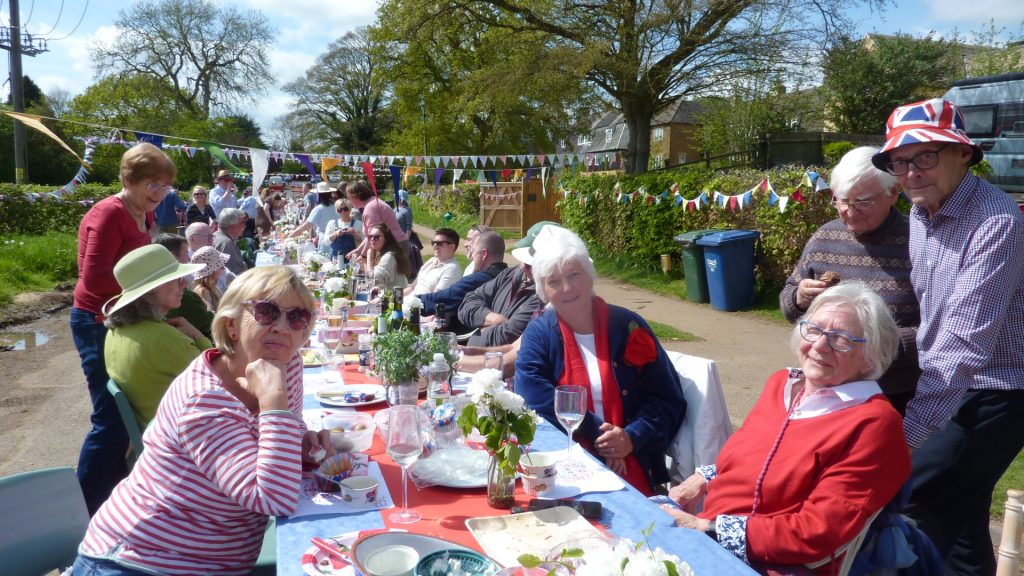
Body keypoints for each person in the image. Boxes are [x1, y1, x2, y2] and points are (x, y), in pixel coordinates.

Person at [73, 266, 333, 575]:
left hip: (209, 561)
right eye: (266, 312)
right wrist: (275, 403)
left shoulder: (284, 364)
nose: (282, 327)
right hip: (139, 561)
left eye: (297, 317)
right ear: (231, 326)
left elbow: (286, 428)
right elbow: (275, 498)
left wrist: (297, 440)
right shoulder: (204, 399)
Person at [871, 98, 1024, 575]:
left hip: (998, 388)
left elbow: (964, 344)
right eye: (900, 161)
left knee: (917, 502)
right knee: (961, 521)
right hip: (947, 380)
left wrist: (907, 437)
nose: (911, 172)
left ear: (964, 155)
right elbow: (934, 317)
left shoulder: (996, 222)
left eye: (926, 156)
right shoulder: (921, 214)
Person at [661, 281, 911, 574]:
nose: (819, 345)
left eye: (840, 339)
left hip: (768, 563)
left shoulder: (874, 424)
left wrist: (707, 527)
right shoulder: (782, 383)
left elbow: (819, 531)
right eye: (814, 330)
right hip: (706, 534)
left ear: (872, 355)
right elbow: (745, 456)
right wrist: (702, 479)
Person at [516, 226, 685, 495]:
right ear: (543, 291)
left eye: (574, 275)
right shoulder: (540, 333)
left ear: (590, 276)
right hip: (562, 462)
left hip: (633, 460)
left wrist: (631, 437)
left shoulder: (628, 325)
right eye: (554, 281)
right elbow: (533, 398)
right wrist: (601, 435)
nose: (568, 288)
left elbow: (667, 398)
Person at [779, 146, 920, 414]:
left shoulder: (919, 242)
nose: (849, 211)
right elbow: (788, 298)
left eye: (862, 202)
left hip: (894, 394)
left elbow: (939, 327)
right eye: (841, 200)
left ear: (892, 192)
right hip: (826, 392)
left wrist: (871, 346)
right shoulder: (825, 237)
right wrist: (799, 298)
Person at [71, 142, 172, 514]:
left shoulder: (139, 214)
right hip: (95, 321)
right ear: (129, 179)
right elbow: (94, 280)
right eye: (153, 185)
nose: (159, 194)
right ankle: (84, 510)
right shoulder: (109, 213)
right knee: (110, 420)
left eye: (164, 187)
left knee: (122, 416)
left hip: (117, 318)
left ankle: (111, 499)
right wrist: (152, 293)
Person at [102, 244, 209, 430]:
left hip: (156, 433)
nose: (184, 283)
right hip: (184, 439)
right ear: (152, 289)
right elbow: (224, 379)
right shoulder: (162, 337)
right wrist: (198, 336)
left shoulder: (114, 333)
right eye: (176, 279)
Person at [458, 232, 542, 347]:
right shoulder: (509, 274)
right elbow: (467, 302)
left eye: (529, 264)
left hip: (497, 361)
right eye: (523, 258)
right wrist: (495, 319)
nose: (522, 266)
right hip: (478, 358)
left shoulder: (543, 296)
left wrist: (483, 329)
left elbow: (508, 336)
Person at [418, 230, 508, 327]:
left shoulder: (478, 279)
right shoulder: (508, 277)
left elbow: (444, 297)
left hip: (460, 335)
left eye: (473, 252)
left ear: (484, 254)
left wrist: (412, 302)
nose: (472, 257)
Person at [157, 233, 214, 341]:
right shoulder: (184, 296)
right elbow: (213, 325)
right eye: (186, 253)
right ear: (172, 256)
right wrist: (209, 307)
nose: (189, 258)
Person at [345, 180, 410, 263]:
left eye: (349, 198)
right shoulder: (372, 203)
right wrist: (358, 250)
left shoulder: (370, 208)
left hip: (394, 247)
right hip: (396, 244)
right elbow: (370, 236)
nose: (349, 202)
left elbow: (373, 236)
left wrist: (363, 255)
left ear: (356, 197)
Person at [406, 227, 461, 296]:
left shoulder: (452, 269)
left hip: (420, 304)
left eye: (439, 243)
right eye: (433, 243)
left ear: (452, 247)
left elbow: (434, 298)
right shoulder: (432, 260)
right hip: (409, 301)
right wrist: (395, 297)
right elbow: (412, 287)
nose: (435, 246)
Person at [289, 183, 337, 253]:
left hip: (325, 241)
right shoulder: (336, 206)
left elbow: (305, 227)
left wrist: (290, 236)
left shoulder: (318, 209)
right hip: (337, 240)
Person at [365, 223, 410, 291]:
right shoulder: (379, 253)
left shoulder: (389, 256)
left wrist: (369, 259)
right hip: (389, 296)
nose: (372, 239)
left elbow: (374, 279)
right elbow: (370, 273)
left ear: (386, 238)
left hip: (396, 299)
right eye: (370, 236)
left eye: (376, 237)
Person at [191, 246, 231, 312]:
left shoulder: (212, 286)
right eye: (220, 266)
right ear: (211, 271)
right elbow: (210, 315)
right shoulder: (203, 291)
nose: (223, 268)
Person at [214, 208, 249, 278]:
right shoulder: (227, 243)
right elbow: (237, 274)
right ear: (231, 226)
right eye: (242, 223)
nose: (245, 226)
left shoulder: (216, 236)